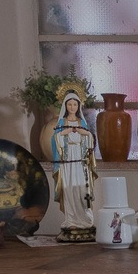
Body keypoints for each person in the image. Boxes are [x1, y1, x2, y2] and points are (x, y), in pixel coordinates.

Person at [50, 89, 97, 242]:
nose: (72, 107)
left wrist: (86, 134)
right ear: (65, 106)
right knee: (68, 189)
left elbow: (89, 138)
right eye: (69, 104)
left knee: (82, 190)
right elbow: (54, 139)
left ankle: (84, 220)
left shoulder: (82, 122)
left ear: (78, 106)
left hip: (80, 162)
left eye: (74, 104)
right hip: (67, 161)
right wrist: (65, 132)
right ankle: (71, 221)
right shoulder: (62, 123)